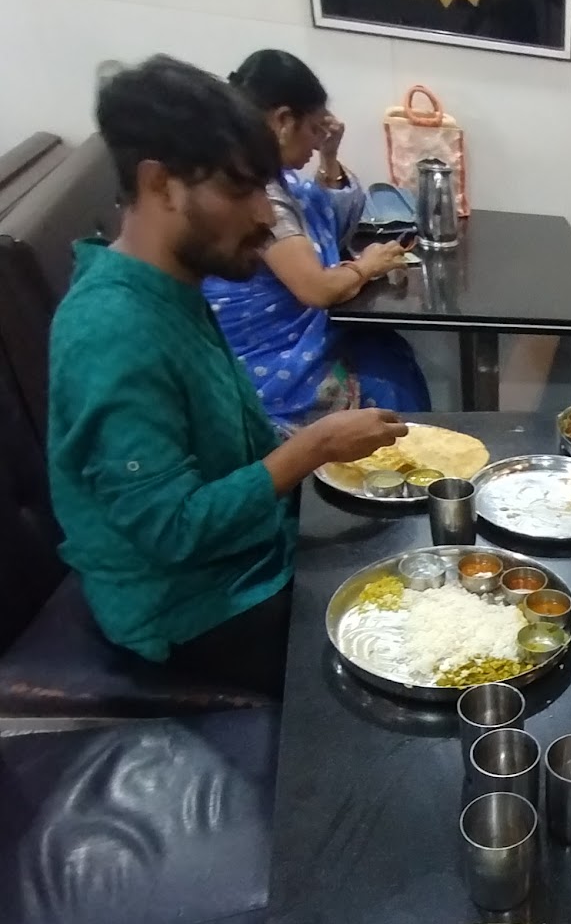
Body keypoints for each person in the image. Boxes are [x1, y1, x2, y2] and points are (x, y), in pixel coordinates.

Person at [48, 54, 408, 698]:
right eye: (242, 191)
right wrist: (314, 447)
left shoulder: (172, 288)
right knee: (411, 646)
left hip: (252, 552)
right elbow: (172, 531)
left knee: (420, 551)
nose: (266, 216)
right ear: (161, 185)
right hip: (191, 611)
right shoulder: (112, 329)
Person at [204, 48, 430, 424]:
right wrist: (366, 267)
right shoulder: (253, 189)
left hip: (281, 347)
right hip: (268, 369)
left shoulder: (266, 177)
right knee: (389, 382)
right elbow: (316, 289)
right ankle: (401, 452)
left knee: (387, 350)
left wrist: (329, 156)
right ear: (283, 120)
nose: (315, 141)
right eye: (313, 129)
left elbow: (325, 220)